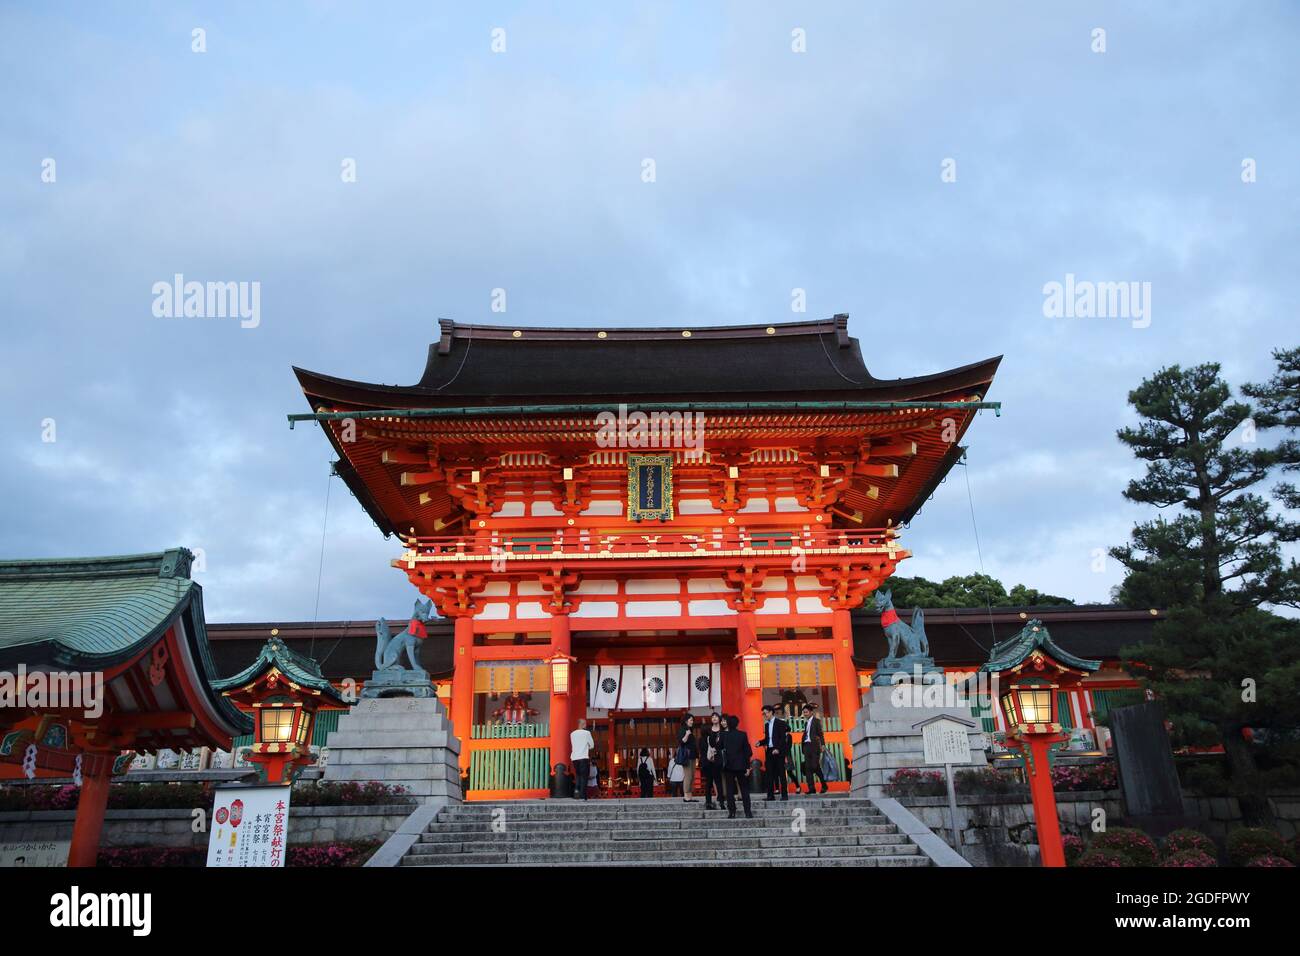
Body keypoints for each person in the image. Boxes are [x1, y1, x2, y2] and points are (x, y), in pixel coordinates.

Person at [719, 714, 753, 818]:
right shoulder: (742, 735)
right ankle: (748, 812)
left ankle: (732, 811)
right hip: (741, 765)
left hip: (728, 765)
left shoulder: (724, 735)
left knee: (730, 789)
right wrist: (747, 766)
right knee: (744, 789)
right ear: (737, 724)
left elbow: (719, 747)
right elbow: (748, 752)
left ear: (728, 724)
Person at [757, 704, 791, 801]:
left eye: (766, 713)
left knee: (781, 773)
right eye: (763, 714)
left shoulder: (780, 723)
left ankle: (784, 795)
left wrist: (778, 749)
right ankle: (770, 796)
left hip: (779, 751)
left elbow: (782, 738)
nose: (765, 715)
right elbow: (768, 739)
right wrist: (760, 742)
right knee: (769, 774)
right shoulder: (767, 725)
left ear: (771, 712)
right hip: (770, 751)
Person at [699, 712, 726, 810]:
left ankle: (708, 803)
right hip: (714, 763)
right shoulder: (712, 738)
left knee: (708, 784)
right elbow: (717, 748)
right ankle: (721, 802)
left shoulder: (700, 740)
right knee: (718, 782)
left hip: (706, 764)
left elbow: (701, 752)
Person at [800, 704, 829, 794]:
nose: (805, 714)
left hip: (814, 747)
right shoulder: (806, 723)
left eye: (806, 712)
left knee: (815, 766)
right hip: (806, 746)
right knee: (808, 768)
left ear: (811, 712)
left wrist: (823, 745)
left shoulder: (816, 721)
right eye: (804, 712)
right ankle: (811, 788)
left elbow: (820, 734)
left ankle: (824, 785)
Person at [570, 718, 595, 801]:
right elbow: (592, 745)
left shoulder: (572, 734)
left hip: (574, 758)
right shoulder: (587, 733)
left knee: (578, 775)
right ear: (583, 724)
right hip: (583, 757)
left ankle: (576, 792)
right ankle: (582, 795)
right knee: (584, 776)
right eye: (585, 723)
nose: (586, 725)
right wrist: (586, 746)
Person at [676, 715, 699, 802]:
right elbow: (682, 742)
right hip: (687, 756)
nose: (692, 722)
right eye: (691, 720)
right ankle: (686, 796)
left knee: (692, 776)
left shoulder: (690, 729)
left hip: (692, 755)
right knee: (688, 776)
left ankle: (689, 795)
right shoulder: (683, 729)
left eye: (693, 720)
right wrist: (686, 734)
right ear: (686, 721)